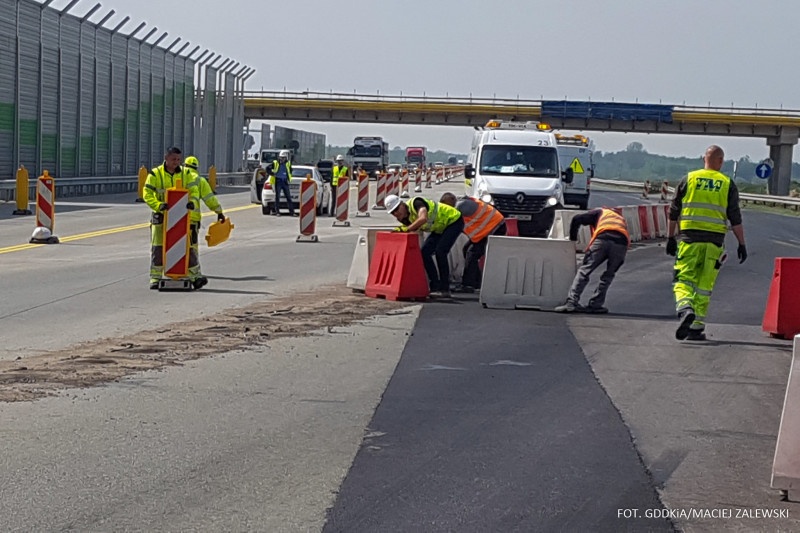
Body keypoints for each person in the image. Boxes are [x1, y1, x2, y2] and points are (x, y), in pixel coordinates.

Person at [666, 144, 747, 341]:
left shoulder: (689, 179)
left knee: (683, 280)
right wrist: (742, 244)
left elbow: (674, 210)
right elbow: (735, 218)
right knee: (704, 286)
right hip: (714, 244)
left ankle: (685, 309)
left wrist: (670, 237)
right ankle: (696, 327)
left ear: (704, 159)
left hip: (689, 241)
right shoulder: (727, 183)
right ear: (720, 161)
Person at [386, 193, 464, 298]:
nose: (396, 214)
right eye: (393, 213)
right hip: (440, 227)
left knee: (441, 252)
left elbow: (423, 218)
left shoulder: (416, 203)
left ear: (402, 204)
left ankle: (445, 288)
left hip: (453, 220)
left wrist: (407, 229)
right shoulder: (404, 219)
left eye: (397, 209)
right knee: (424, 253)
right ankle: (435, 285)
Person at [143, 147, 199, 290]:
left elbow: (193, 191)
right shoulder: (155, 174)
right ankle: (155, 277)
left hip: (181, 217)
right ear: (166, 158)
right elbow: (147, 193)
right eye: (174, 159)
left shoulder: (186, 173)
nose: (176, 162)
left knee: (187, 246)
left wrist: (191, 201)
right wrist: (158, 205)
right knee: (158, 247)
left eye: (179, 160)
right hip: (161, 216)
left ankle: (195, 276)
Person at [555, 207, 629, 314]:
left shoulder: (599, 212)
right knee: (608, 275)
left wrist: (573, 239)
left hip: (603, 239)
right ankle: (595, 305)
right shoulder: (619, 218)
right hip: (621, 244)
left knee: (584, 271)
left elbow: (576, 219)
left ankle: (571, 302)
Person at [439, 192, 506, 293]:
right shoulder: (464, 203)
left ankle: (468, 284)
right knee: (467, 250)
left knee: (472, 253)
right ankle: (476, 282)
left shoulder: (460, 206)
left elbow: (450, 224)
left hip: (493, 227)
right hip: (490, 228)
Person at [183, 155, 225, 289]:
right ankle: (193, 273)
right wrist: (219, 212)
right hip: (193, 219)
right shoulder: (200, 180)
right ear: (197, 168)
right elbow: (209, 199)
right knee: (192, 247)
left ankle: (178, 269)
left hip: (175, 218)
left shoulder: (179, 177)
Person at [267, 149, 294, 216]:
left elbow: (290, 170)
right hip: (278, 181)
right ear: (279, 157)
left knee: (288, 197)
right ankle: (277, 212)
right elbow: (267, 168)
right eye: (281, 157)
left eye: (283, 158)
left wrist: (288, 176)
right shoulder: (275, 163)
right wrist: (272, 173)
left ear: (286, 158)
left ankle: (292, 212)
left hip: (285, 181)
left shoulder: (288, 163)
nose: (282, 159)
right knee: (277, 197)